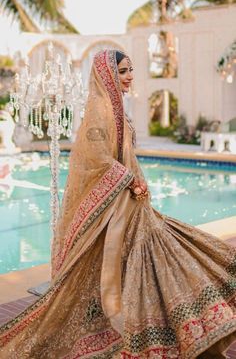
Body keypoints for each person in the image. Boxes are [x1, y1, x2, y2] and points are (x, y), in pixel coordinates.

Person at [0, 49, 236, 359]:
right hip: (121, 204)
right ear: (106, 74)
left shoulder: (114, 108)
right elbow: (93, 157)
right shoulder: (99, 109)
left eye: (130, 70)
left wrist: (135, 183)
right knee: (152, 259)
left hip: (133, 203)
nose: (129, 76)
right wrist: (130, 179)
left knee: (154, 259)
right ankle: (160, 332)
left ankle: (174, 330)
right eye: (123, 71)